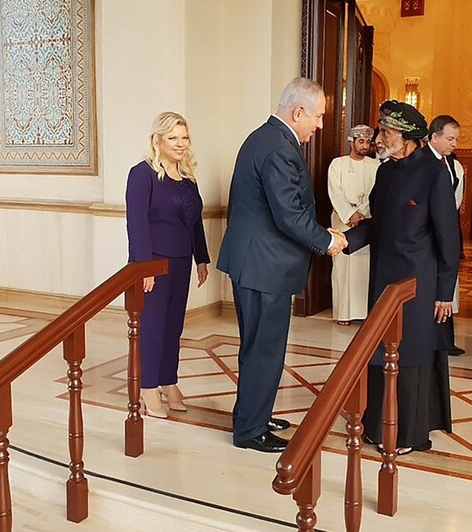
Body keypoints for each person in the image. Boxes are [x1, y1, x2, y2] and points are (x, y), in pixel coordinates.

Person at [217, 77, 346, 453]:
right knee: (264, 350)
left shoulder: (264, 137)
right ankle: (250, 430)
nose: (318, 126)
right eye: (317, 117)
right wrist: (326, 240)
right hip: (264, 267)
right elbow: (288, 214)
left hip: (256, 263)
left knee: (257, 346)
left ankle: (253, 414)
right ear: (298, 111)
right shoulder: (278, 148)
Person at [345, 100, 460, 455]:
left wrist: (444, 292)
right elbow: (377, 225)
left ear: (408, 138)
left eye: (385, 132)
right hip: (382, 279)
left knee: (408, 353)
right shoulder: (385, 172)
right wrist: (341, 242)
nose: (378, 139)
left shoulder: (434, 172)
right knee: (379, 350)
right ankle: (377, 425)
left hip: (417, 285)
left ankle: (407, 433)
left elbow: (448, 237)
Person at [125, 111, 210, 419]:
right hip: (153, 264)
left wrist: (201, 258)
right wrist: (144, 267)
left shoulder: (188, 178)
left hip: (182, 260)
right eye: (172, 137)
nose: (180, 143)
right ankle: (148, 385)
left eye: (184, 137)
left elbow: (194, 222)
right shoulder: (142, 174)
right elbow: (136, 223)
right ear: (158, 140)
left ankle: (167, 379)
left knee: (174, 326)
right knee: (153, 326)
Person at [328, 124, 380, 325]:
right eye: (361, 141)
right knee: (343, 268)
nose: (365, 145)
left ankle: (366, 313)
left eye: (368, 142)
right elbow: (335, 193)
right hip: (343, 221)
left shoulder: (376, 165)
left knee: (364, 268)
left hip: (366, 221)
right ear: (351, 142)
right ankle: (343, 314)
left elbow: (376, 193)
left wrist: (362, 214)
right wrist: (350, 214)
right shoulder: (338, 164)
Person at [426, 115, 466, 356]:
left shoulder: (453, 165)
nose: (454, 144)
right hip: (427, 236)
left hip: (446, 231)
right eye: (450, 139)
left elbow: (455, 198)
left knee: (446, 287)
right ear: (434, 137)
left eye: (456, 139)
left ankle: (444, 341)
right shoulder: (421, 162)